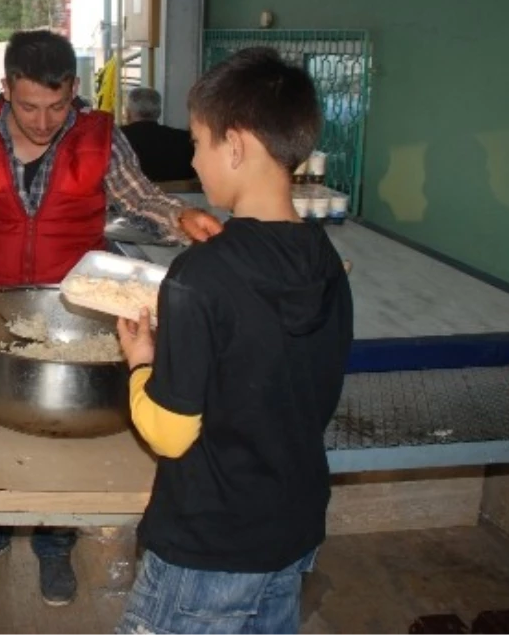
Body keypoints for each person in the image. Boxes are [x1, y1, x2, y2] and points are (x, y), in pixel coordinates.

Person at [0, 29, 222, 606]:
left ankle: (55, 543)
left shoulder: (100, 136)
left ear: (74, 91)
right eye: (28, 106)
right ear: (5, 89)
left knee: (62, 429)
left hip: (74, 312)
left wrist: (182, 218)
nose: (42, 121)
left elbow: (141, 198)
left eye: (57, 106)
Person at [113, 47, 353, 634]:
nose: (194, 160)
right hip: (291, 522)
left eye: (199, 143)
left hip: (210, 542)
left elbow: (170, 434)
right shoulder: (327, 259)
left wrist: (142, 362)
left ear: (237, 146)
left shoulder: (199, 277)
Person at [120, 86, 197, 183]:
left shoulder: (116, 139)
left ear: (128, 112)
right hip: (182, 197)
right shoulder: (184, 139)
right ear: (159, 112)